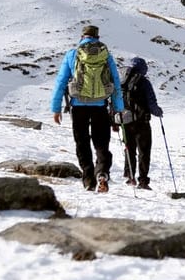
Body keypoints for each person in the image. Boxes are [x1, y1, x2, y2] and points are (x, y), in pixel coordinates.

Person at [51, 25, 123, 193]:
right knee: (101, 143)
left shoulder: (73, 54)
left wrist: (56, 108)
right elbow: (116, 82)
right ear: (97, 37)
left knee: (82, 143)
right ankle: (102, 173)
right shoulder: (106, 56)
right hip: (100, 106)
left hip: (78, 107)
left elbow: (61, 82)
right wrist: (118, 108)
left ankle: (88, 179)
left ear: (82, 36)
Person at [115, 56, 163, 191]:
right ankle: (143, 181)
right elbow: (151, 103)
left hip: (125, 121)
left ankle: (130, 177)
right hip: (142, 122)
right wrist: (158, 112)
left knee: (129, 149)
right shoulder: (144, 82)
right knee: (144, 152)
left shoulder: (120, 80)